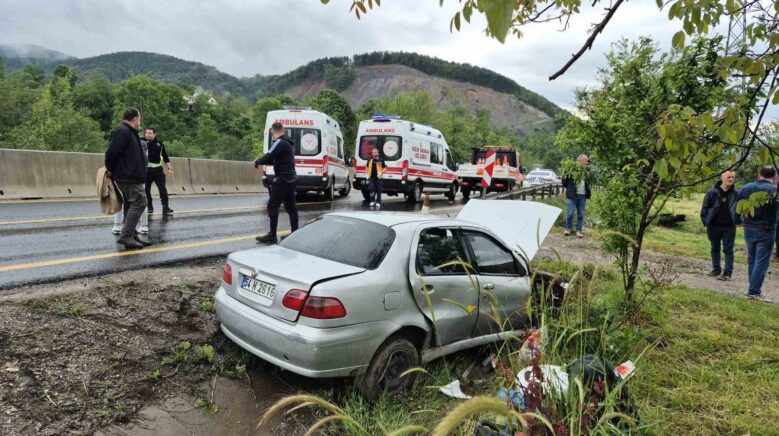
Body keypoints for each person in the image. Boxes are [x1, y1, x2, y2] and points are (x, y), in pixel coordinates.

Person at [105, 108, 150, 249]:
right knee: (140, 201)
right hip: (127, 175)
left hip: (132, 175)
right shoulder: (123, 131)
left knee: (130, 204)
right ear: (135, 119)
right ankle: (126, 235)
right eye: (139, 120)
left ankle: (132, 234)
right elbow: (112, 152)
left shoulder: (130, 132)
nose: (140, 122)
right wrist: (110, 169)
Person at [737, 166, 777, 301]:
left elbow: (736, 205)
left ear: (759, 174)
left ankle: (753, 288)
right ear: (774, 177)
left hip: (749, 227)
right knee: (761, 261)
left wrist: (737, 221)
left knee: (752, 259)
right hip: (766, 229)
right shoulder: (774, 190)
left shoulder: (746, 188)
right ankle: (753, 291)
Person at [253, 121, 298, 244]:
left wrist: (257, 161)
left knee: (272, 205)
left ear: (273, 132)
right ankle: (295, 233)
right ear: (283, 130)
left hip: (283, 179)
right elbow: (276, 160)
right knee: (291, 207)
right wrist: (263, 161)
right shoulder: (289, 143)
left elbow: (269, 156)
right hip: (291, 179)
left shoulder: (279, 142)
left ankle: (272, 235)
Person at [700, 171, 737, 280]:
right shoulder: (712, 192)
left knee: (728, 249)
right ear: (722, 178)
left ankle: (727, 273)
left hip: (729, 226)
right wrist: (706, 221)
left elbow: (740, 209)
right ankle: (716, 269)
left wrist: (738, 220)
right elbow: (704, 208)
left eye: (733, 177)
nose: (731, 179)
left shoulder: (736, 193)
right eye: (729, 177)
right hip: (713, 226)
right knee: (715, 247)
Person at [143, 127, 174, 215]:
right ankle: (149, 206)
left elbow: (165, 157)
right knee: (146, 189)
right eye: (146, 133)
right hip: (146, 170)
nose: (147, 135)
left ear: (154, 134)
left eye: (150, 133)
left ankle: (165, 206)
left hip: (158, 170)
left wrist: (170, 168)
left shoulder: (159, 144)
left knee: (162, 189)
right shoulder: (142, 142)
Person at [562, 154, 591, 238]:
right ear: (579, 161)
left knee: (581, 214)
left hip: (582, 196)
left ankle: (579, 230)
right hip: (572, 196)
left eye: (587, 161)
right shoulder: (571, 169)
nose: (587, 162)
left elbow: (589, 182)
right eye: (585, 160)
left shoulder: (587, 171)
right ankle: (568, 229)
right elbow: (564, 182)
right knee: (570, 213)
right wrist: (570, 188)